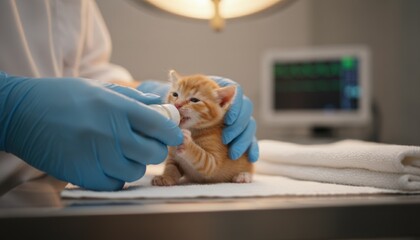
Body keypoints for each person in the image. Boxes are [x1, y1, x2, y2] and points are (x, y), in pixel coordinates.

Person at [0, 0, 258, 193]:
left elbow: (92, 72)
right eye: (175, 95)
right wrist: (8, 106)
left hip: (52, 192)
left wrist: (149, 93)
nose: (178, 103)